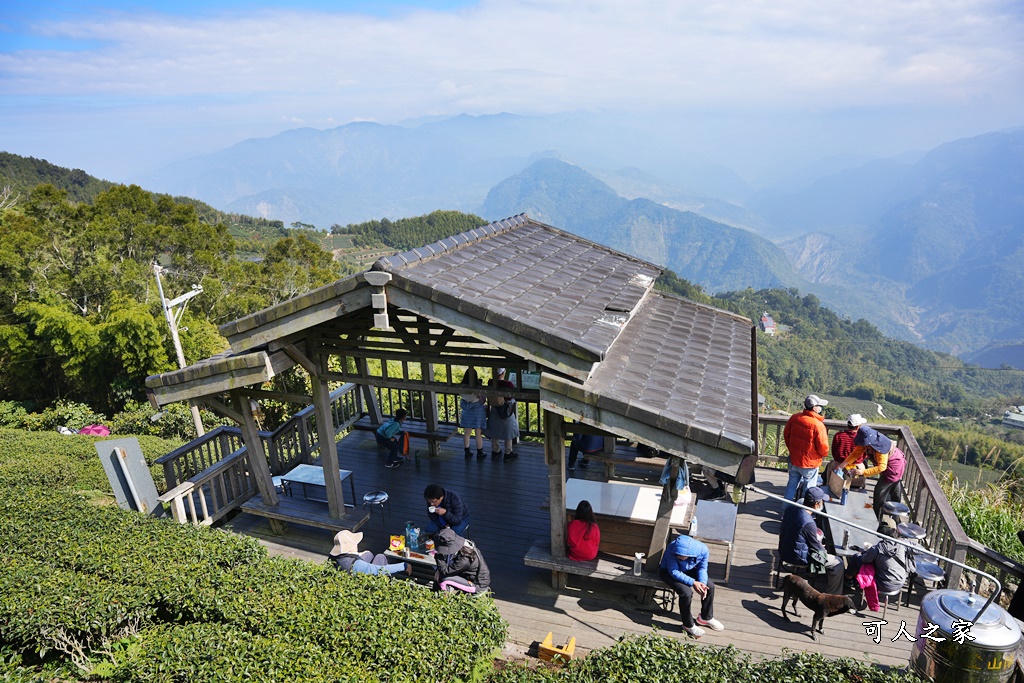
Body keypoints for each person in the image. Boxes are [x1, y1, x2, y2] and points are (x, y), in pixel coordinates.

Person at [778, 487, 845, 595]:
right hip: (798, 557)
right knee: (838, 563)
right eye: (822, 501)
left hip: (784, 549)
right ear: (817, 504)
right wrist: (823, 548)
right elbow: (818, 549)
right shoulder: (808, 523)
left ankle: (813, 574)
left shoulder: (790, 509)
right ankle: (833, 595)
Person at [659, 534, 724, 638]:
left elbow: (702, 569)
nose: (677, 556)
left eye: (680, 555)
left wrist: (702, 583)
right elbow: (674, 572)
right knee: (686, 593)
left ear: (690, 553)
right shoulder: (672, 548)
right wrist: (693, 582)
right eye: (676, 554)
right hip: (668, 572)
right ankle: (688, 625)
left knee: (709, 586)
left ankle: (705, 617)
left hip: (688, 570)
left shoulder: (703, 550)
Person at [838, 426, 907, 519]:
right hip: (889, 466)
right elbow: (855, 454)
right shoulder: (866, 442)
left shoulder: (881, 447)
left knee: (880, 492)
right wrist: (842, 465)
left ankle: (877, 518)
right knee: (894, 491)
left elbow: (882, 467)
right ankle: (896, 517)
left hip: (893, 467)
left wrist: (862, 472)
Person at [845, 527, 915, 610]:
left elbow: (864, 559)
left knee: (857, 558)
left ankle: (847, 579)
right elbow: (920, 550)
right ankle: (854, 580)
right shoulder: (902, 544)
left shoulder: (878, 548)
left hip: (884, 583)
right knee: (875, 563)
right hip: (900, 582)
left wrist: (865, 552)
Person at [783, 394, 830, 502]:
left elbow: (786, 435)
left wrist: (792, 449)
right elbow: (823, 448)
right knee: (809, 490)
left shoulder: (795, 418)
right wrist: (821, 455)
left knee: (791, 486)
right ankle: (803, 512)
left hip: (794, 459)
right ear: (814, 408)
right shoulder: (818, 425)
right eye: (819, 405)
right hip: (810, 463)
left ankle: (785, 510)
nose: (820, 408)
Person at [328, 530, 411, 577]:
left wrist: (359, 554)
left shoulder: (334, 557)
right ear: (349, 547)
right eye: (354, 543)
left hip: (349, 576)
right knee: (380, 557)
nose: (357, 544)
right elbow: (379, 570)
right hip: (362, 582)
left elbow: (349, 557)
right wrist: (404, 565)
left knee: (368, 554)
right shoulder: (357, 565)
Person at [433, 527, 491, 593]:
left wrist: (438, 556)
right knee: (438, 572)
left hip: (477, 585)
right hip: (466, 575)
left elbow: (445, 571)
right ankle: (435, 593)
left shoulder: (465, 558)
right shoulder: (465, 545)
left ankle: (444, 600)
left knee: (444, 580)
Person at [486, 368, 519, 461]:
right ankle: (508, 452)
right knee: (509, 430)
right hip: (506, 410)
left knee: (495, 429)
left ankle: (495, 451)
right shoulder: (508, 384)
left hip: (495, 409)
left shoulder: (491, 382)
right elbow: (512, 396)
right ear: (503, 372)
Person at [828, 413, 868, 490]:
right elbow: (865, 455)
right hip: (857, 467)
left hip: (838, 466)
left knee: (833, 487)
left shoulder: (838, 435)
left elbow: (834, 452)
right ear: (858, 426)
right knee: (857, 489)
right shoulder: (862, 438)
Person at [459, 368, 487, 460]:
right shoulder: (477, 387)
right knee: (478, 432)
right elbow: (483, 398)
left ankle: (467, 451)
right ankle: (480, 451)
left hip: (467, 411)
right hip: (477, 410)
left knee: (467, 432)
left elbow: (462, 396)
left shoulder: (462, 387)